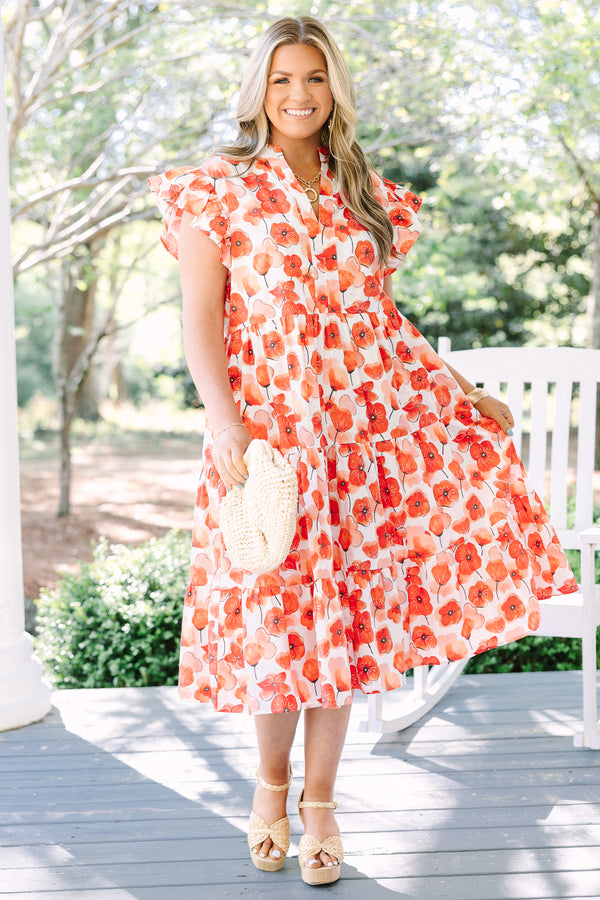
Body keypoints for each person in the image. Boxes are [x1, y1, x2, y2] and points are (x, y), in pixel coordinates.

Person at [148, 15, 577, 887]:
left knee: (340, 623)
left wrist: (456, 390)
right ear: (257, 91)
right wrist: (225, 422)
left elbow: (378, 325)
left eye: (313, 79)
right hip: (267, 441)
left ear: (334, 88)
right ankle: (269, 792)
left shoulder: (364, 193)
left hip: (356, 440)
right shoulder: (216, 192)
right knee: (278, 621)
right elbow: (200, 325)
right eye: (281, 80)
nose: (299, 95)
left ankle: (322, 804)